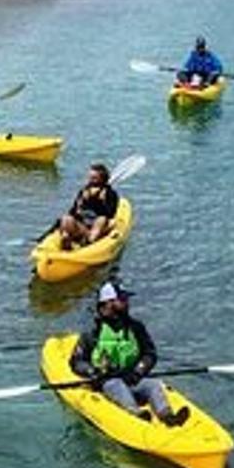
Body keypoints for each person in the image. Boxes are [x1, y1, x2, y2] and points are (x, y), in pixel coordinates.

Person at [69, 282, 188, 426]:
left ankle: (167, 416)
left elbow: (149, 354)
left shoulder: (136, 327)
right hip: (106, 381)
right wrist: (92, 371)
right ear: (108, 304)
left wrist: (139, 371)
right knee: (116, 384)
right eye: (122, 300)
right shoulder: (92, 332)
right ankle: (136, 414)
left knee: (153, 385)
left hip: (131, 377)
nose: (127, 303)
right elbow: (76, 361)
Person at [57, 162, 119, 249]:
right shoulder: (84, 191)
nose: (90, 180)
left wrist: (101, 201)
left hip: (99, 228)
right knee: (66, 218)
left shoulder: (110, 193)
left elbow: (110, 214)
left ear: (102, 179)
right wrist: (80, 205)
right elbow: (72, 211)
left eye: (94, 178)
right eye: (90, 177)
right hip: (83, 227)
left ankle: (89, 242)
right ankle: (67, 239)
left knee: (101, 219)